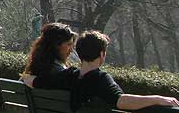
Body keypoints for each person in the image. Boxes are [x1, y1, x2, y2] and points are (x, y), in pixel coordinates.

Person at [28, 31, 179, 112]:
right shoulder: (100, 79)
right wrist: (158, 98)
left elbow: (31, 80)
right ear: (101, 54)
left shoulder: (69, 75)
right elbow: (121, 101)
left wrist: (25, 78)